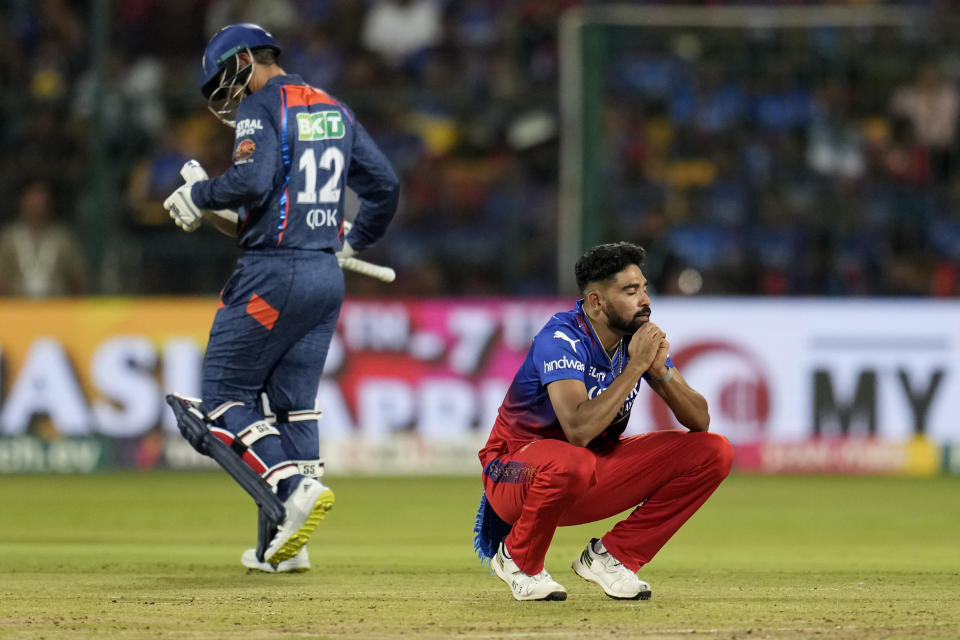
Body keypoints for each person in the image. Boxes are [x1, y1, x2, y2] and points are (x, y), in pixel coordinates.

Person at [163, 23, 399, 572]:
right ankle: (284, 546)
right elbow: (384, 185)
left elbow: (251, 180)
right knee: (294, 406)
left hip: (273, 273)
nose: (224, 92)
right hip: (323, 277)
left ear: (246, 59)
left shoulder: (262, 106)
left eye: (225, 76)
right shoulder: (333, 107)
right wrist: (351, 239)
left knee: (221, 396)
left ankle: (292, 490)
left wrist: (199, 193)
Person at [473, 242, 733, 601]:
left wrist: (661, 373)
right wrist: (636, 367)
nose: (645, 300)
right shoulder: (561, 337)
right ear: (596, 301)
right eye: (630, 291)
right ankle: (517, 559)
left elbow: (700, 420)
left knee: (713, 451)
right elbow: (577, 431)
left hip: (586, 472)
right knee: (573, 461)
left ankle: (613, 558)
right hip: (512, 473)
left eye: (643, 287)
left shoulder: (635, 340)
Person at [0, 180, 87, 297]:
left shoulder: (63, 237)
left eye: (41, 196)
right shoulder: (8, 238)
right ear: (22, 200)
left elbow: (77, 280)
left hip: (58, 308)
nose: (37, 202)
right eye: (32, 196)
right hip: (17, 309)